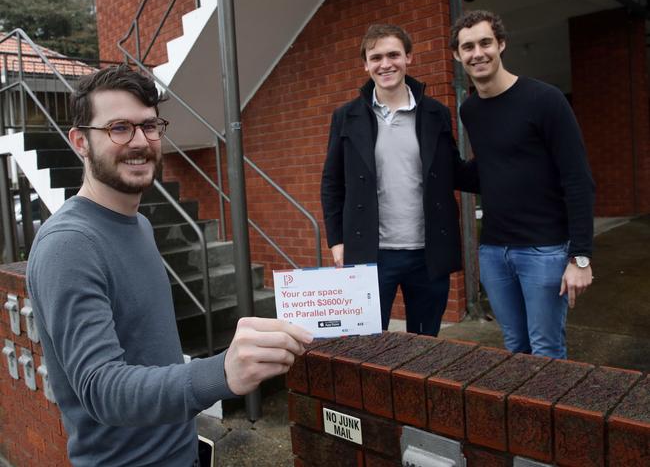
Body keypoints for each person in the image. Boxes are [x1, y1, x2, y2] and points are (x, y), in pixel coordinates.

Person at [26, 64, 312, 467]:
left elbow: (148, 353)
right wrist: (222, 372)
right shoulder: (69, 244)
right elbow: (100, 387)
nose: (140, 142)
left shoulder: (139, 224)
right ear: (80, 142)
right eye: (119, 128)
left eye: (149, 126)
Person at [450, 10, 595, 359]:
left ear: (501, 44)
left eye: (485, 43)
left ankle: (551, 416)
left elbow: (578, 179)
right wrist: (435, 162)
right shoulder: (470, 110)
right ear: (457, 55)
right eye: (467, 47)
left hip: (544, 251)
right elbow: (490, 171)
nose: (477, 53)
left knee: (546, 350)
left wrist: (581, 258)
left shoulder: (544, 100)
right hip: (494, 252)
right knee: (515, 349)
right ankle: (526, 416)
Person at [321, 24, 478, 336]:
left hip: (427, 253)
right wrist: (337, 241)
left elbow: (453, 171)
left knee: (423, 342)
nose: (385, 63)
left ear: (409, 58)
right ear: (365, 64)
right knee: (366, 344)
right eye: (376, 57)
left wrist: (503, 159)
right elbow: (332, 182)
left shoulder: (435, 113)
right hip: (371, 254)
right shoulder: (346, 117)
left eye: (394, 54)